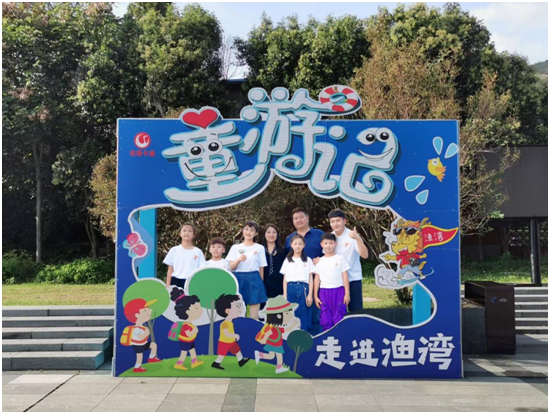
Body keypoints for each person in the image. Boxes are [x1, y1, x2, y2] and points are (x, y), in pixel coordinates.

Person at [285, 207, 324, 335]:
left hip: (318, 280)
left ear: (307, 218)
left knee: (315, 313)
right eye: (295, 218)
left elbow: (329, 251)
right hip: (296, 284)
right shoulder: (289, 238)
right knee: (297, 313)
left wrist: (321, 259)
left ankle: (316, 338)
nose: (299, 220)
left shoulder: (319, 234)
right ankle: (298, 338)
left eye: (301, 217)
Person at [327, 209, 369, 312]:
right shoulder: (330, 238)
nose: (335, 224)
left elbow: (365, 255)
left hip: (353, 279)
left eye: (338, 220)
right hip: (336, 282)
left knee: (356, 312)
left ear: (344, 221)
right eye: (332, 221)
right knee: (337, 312)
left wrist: (357, 238)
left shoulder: (352, 235)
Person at [227, 220, 268, 320]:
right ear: (243, 231)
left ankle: (254, 330)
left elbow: (261, 267)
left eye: (252, 230)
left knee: (254, 317)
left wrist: (260, 284)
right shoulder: (235, 247)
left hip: (254, 279)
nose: (248, 232)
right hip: (238, 279)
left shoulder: (259, 248)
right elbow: (231, 267)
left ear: (256, 233)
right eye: (246, 229)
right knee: (240, 315)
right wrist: (238, 260)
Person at [255, 295, 300, 374]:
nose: (290, 316)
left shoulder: (276, 328)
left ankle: (259, 354)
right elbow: (268, 333)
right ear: (279, 316)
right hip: (275, 345)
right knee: (279, 356)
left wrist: (293, 325)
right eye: (287, 313)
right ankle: (279, 368)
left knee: (271, 356)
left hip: (274, 344)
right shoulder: (273, 328)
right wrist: (264, 339)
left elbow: (285, 330)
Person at [314, 233, 350, 331]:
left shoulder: (340, 258)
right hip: (324, 292)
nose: (328, 246)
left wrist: (347, 294)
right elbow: (317, 279)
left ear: (335, 244)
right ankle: (327, 338)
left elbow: (345, 276)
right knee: (325, 317)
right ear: (321, 244)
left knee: (339, 316)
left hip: (339, 291)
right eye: (325, 243)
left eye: (331, 243)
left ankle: (341, 337)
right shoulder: (319, 261)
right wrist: (315, 296)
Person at [280, 235, 314, 333]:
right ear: (291, 245)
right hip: (291, 288)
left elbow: (311, 278)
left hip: (304, 288)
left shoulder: (308, 260)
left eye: (300, 244)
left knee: (304, 313)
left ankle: (304, 335)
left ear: (304, 245)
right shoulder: (288, 260)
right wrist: (285, 295)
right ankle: (291, 336)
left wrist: (310, 295)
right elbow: (285, 279)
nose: (298, 246)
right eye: (295, 244)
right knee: (290, 314)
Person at [122, 298, 162, 373]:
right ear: (137, 315)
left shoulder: (142, 327)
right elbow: (140, 337)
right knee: (139, 357)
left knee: (153, 345)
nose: (150, 311)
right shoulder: (136, 328)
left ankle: (151, 358)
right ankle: (137, 367)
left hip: (143, 344)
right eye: (145, 310)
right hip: (138, 345)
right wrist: (146, 333)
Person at [211, 294, 250, 370]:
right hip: (224, 342)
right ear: (227, 311)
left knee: (237, 350)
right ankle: (215, 363)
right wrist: (235, 335)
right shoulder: (225, 323)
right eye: (237, 306)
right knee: (222, 355)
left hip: (231, 342)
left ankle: (241, 361)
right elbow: (226, 334)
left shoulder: (230, 322)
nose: (240, 309)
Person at [170, 288, 204, 371]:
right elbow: (188, 334)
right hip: (185, 342)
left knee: (192, 351)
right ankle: (178, 364)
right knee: (183, 353)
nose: (201, 309)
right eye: (196, 308)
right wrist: (195, 331)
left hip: (190, 341)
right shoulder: (185, 326)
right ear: (187, 311)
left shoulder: (189, 324)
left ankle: (194, 362)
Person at [163, 223, 206, 288]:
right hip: (176, 282)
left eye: (190, 231)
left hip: (192, 282)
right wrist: (167, 286)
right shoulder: (174, 250)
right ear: (180, 234)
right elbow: (170, 270)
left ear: (194, 235)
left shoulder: (198, 252)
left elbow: (201, 271)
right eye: (184, 230)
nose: (187, 233)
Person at [262, 224, 286, 299]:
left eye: (274, 232)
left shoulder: (284, 251)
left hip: (280, 287)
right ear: (264, 234)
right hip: (264, 286)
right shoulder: (259, 250)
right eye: (268, 232)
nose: (271, 235)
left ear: (277, 234)